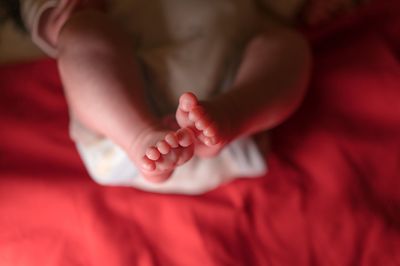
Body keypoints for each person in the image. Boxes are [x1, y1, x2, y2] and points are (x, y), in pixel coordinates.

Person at [2, 0, 311, 191]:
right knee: (81, 33)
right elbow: (44, 16)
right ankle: (142, 135)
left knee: (289, 48)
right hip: (121, 132)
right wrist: (60, 14)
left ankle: (229, 115)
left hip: (235, 102)